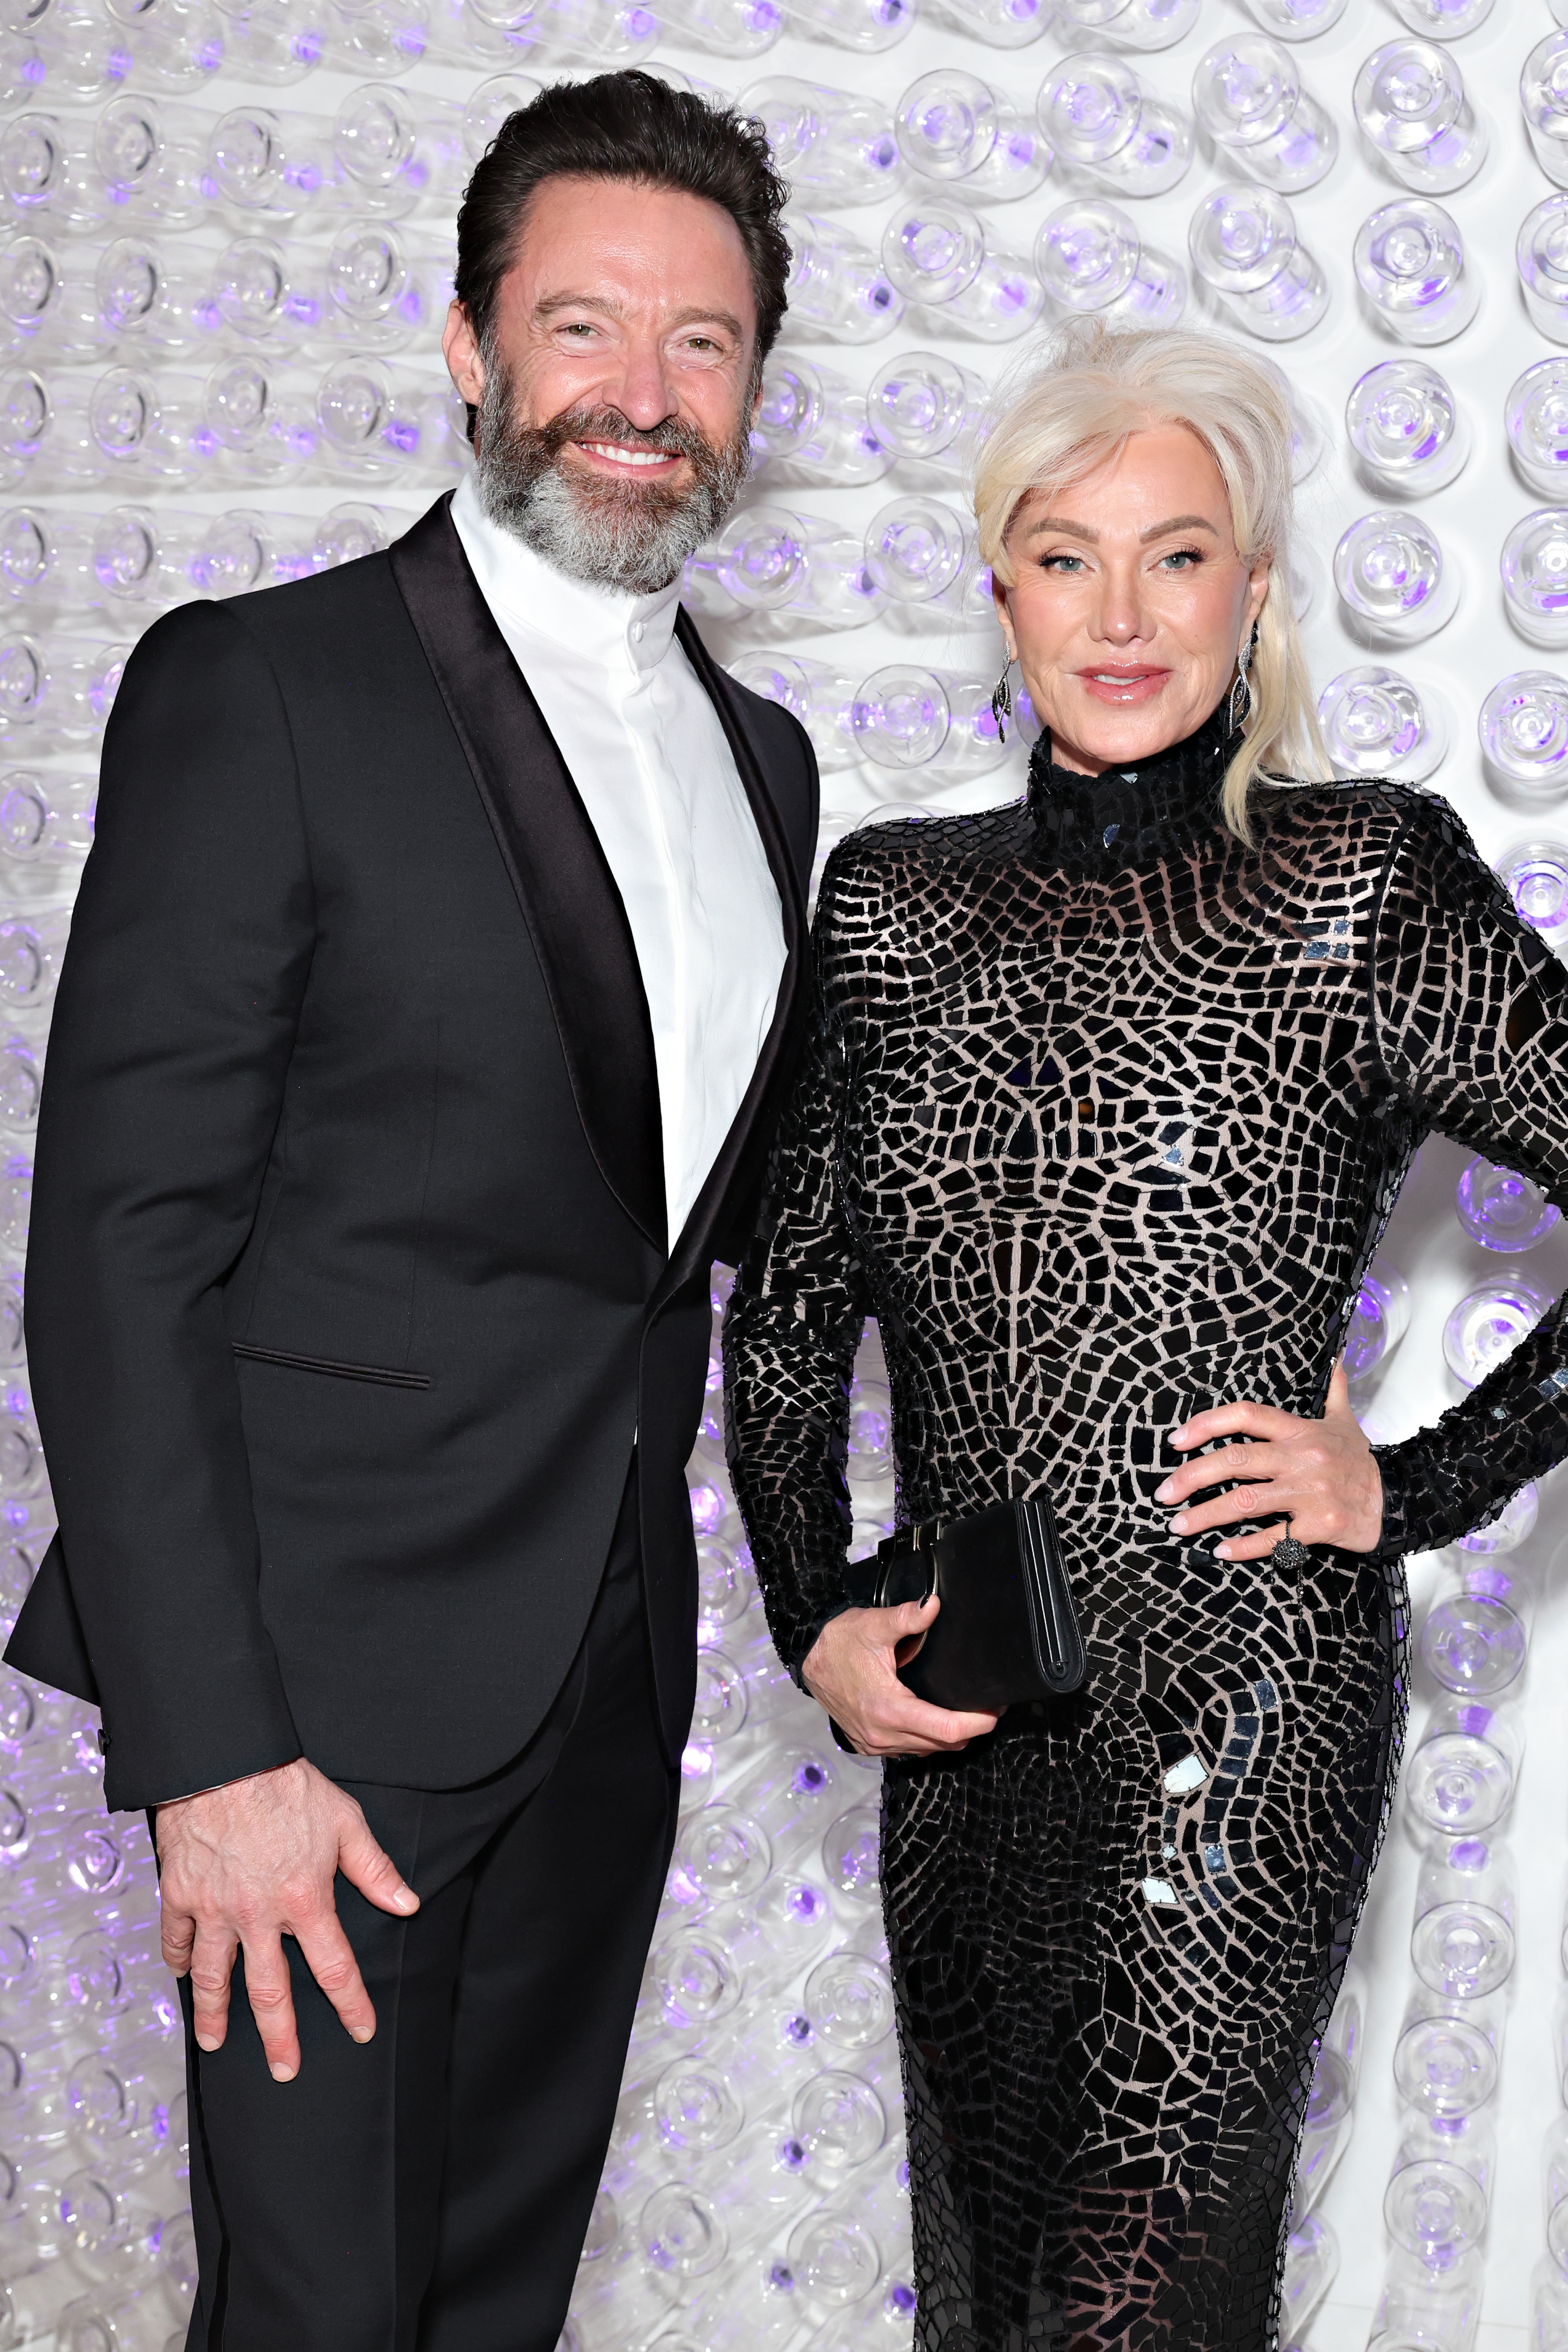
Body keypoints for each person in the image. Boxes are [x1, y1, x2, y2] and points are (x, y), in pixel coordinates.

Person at [7, 70, 818, 2352]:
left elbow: (677, 1252)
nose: (640, 399)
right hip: (318, 1723)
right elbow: (118, 1255)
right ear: (472, 353)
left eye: (702, 344)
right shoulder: (260, 689)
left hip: (606, 1676)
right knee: (319, 2315)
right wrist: (212, 1759)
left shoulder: (770, 767)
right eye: (583, 329)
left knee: (491, 2304)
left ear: (756, 386)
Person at [723, 321, 1568, 2347]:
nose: (1122, 612)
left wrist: (1416, 1480)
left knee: (1133, 2304)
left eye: (1178, 556)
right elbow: (787, 1313)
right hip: (971, 1708)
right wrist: (813, 1613)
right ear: (999, 583)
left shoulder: (1355, 883)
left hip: (1243, 1706)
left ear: (1254, 591)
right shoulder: (893, 906)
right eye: (1067, 552)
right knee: (995, 2297)